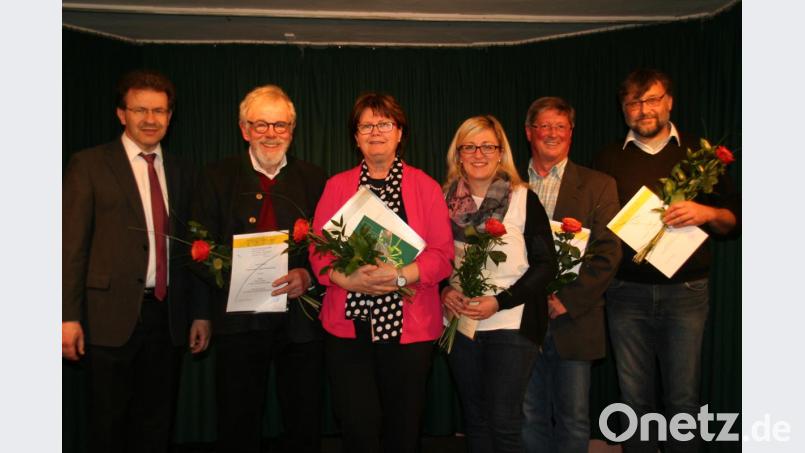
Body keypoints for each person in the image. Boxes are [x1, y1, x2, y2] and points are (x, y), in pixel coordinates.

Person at [62, 69, 211, 453]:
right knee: (108, 425)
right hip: (108, 317)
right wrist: (67, 316)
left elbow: (190, 249)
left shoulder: (182, 170)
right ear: (120, 113)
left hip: (167, 317)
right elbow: (70, 246)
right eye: (140, 109)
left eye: (159, 111)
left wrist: (199, 313)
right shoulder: (89, 165)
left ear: (170, 116)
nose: (150, 119)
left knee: (157, 423)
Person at [594, 68, 740, 452]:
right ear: (623, 109)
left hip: (687, 293)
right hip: (625, 294)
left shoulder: (702, 156)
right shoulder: (607, 159)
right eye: (634, 102)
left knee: (682, 402)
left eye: (652, 99)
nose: (644, 110)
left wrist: (705, 213)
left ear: (670, 101)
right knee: (634, 402)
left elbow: (734, 220)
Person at [309, 92, 453, 453]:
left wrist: (401, 275)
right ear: (355, 136)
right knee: (357, 426)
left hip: (410, 329)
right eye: (366, 125)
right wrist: (346, 279)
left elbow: (442, 256)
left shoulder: (426, 187)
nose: (376, 132)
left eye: (385, 123)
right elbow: (318, 250)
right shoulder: (337, 186)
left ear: (400, 133)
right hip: (348, 329)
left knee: (403, 429)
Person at [193, 85, 327, 453]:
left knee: (304, 422)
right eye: (261, 125)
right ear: (244, 129)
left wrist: (310, 276)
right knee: (237, 421)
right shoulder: (216, 177)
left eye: (280, 125)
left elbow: (331, 248)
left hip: (301, 324)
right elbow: (198, 248)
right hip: (238, 322)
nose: (271, 134)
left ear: (292, 130)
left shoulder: (316, 179)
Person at [440, 115, 556, 453]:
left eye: (488, 146)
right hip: (461, 325)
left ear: (500, 152)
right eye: (470, 146)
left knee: (504, 423)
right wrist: (444, 291)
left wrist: (501, 300)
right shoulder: (441, 199)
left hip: (512, 323)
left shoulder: (522, 197)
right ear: (458, 153)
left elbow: (547, 264)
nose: (479, 154)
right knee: (475, 421)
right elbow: (433, 259)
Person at [518, 97, 622, 453]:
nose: (552, 134)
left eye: (560, 126)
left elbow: (608, 252)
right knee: (528, 415)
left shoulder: (599, 185)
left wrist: (565, 300)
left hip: (573, 319)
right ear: (529, 132)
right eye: (544, 126)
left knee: (574, 417)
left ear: (571, 133)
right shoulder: (509, 183)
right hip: (520, 318)